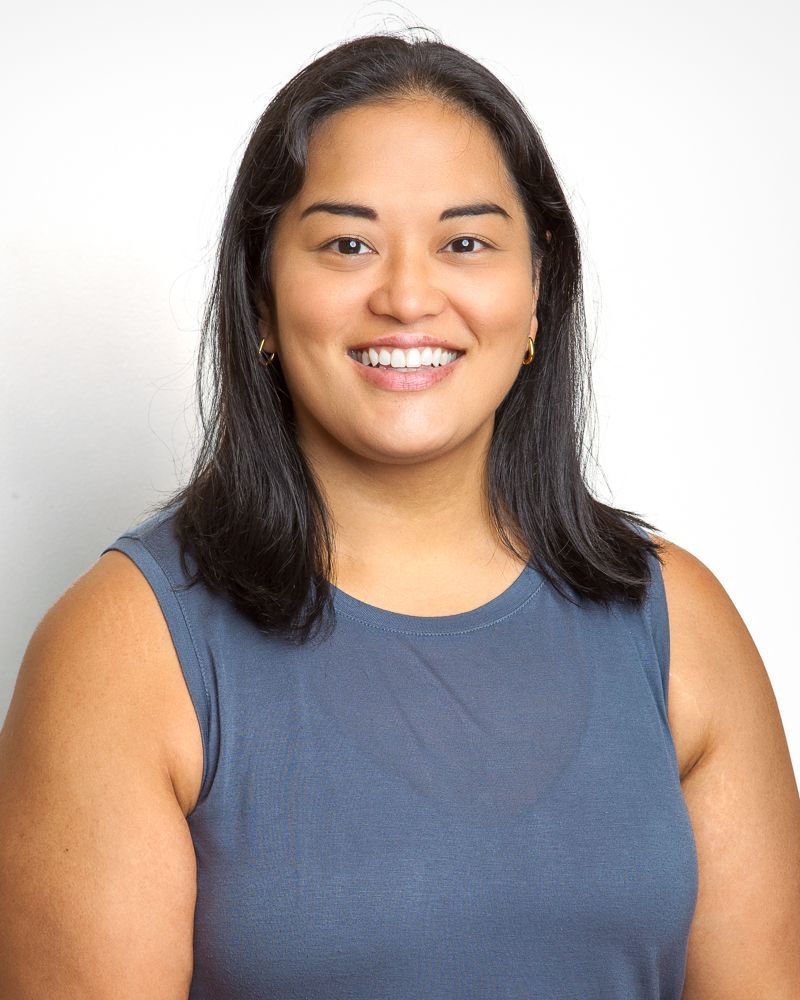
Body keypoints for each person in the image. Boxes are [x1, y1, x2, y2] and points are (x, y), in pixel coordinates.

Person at [1, 27, 798, 1000]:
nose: (408, 295)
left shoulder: (678, 619)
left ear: (538, 288)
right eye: (346, 244)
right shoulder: (121, 646)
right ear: (260, 292)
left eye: (464, 242)